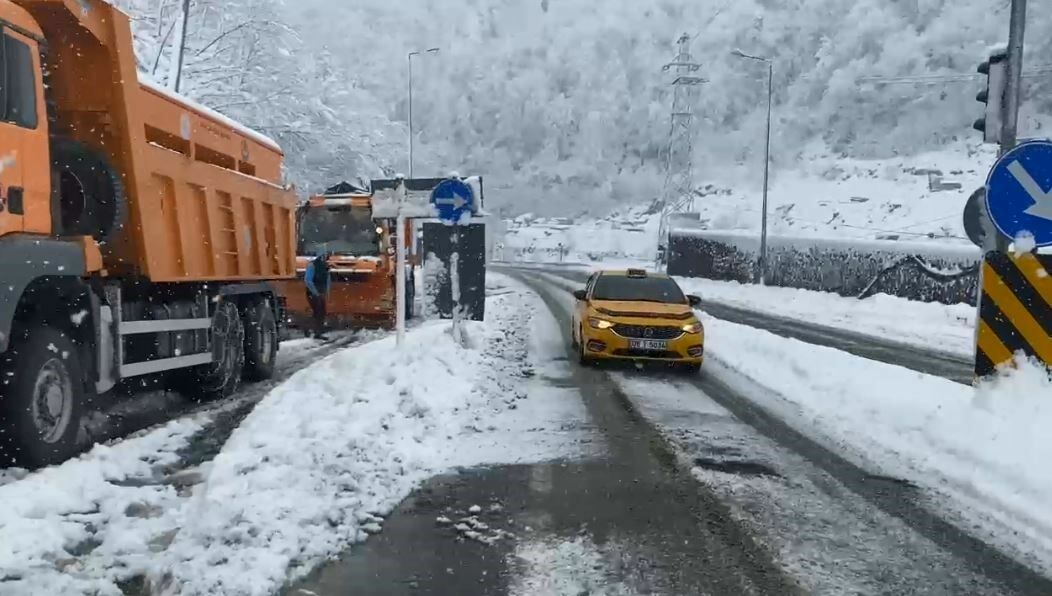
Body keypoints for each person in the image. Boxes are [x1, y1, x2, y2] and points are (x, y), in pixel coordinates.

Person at [304, 252, 331, 339]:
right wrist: (315, 292)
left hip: (319, 292)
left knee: (321, 312)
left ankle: (317, 332)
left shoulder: (325, 266)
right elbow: (308, 280)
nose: (327, 257)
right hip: (313, 292)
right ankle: (310, 330)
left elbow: (327, 280)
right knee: (318, 312)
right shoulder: (313, 265)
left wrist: (326, 292)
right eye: (326, 255)